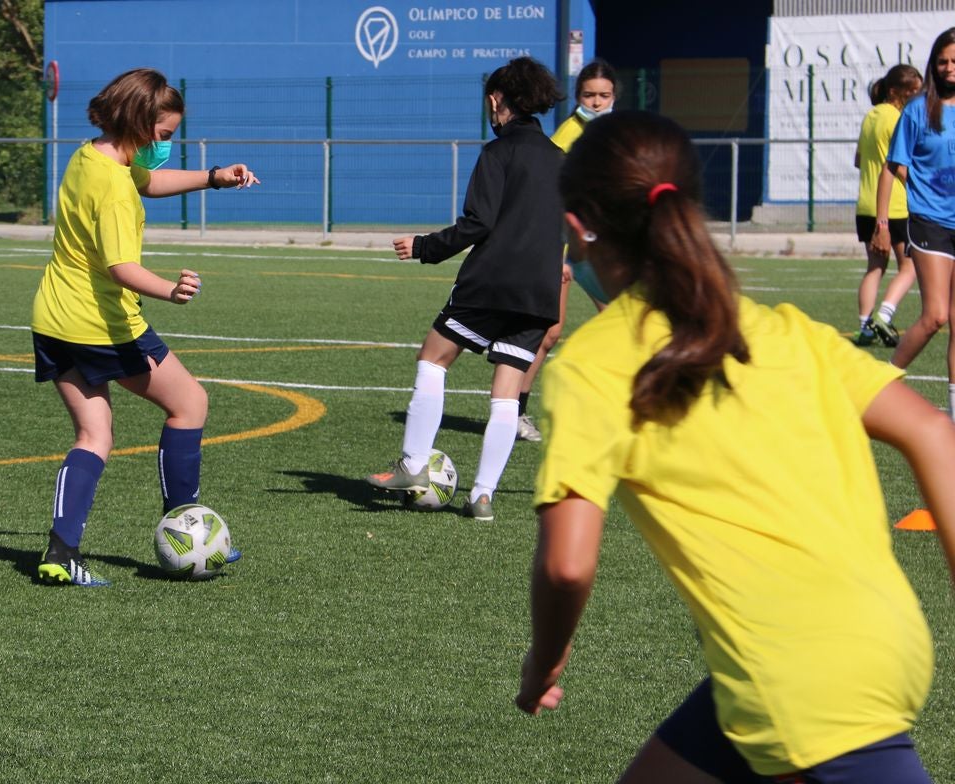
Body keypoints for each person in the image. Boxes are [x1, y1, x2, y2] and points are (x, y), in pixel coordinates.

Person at [515, 110, 955, 782]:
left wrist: (543, 660)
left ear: (578, 228)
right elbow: (932, 431)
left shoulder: (592, 364)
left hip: (798, 680)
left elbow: (567, 566)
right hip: (872, 639)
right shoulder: (781, 328)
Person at [31, 68, 258, 587]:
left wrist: (214, 176)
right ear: (138, 122)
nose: (166, 147)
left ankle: (61, 553)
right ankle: (188, 532)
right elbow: (121, 269)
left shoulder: (91, 156)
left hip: (54, 318)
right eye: (164, 136)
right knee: (190, 403)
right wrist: (169, 289)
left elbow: (150, 181)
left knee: (94, 433)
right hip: (102, 324)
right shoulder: (112, 186)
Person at [365, 56, 566, 522]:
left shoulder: (497, 153)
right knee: (506, 394)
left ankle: (413, 465)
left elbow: (479, 222)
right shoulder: (561, 161)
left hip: (489, 284)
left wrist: (424, 247)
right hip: (538, 292)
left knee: (433, 358)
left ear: (497, 101)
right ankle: (483, 496)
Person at [516, 59, 618, 442]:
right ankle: (516, 411)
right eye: (589, 95)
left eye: (603, 95)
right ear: (578, 97)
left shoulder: (618, 133)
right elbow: (552, 198)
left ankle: (614, 408)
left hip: (602, 247)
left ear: (614, 97)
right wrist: (558, 256)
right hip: (564, 244)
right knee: (549, 332)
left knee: (618, 324)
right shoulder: (568, 134)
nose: (596, 102)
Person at [874, 29, 955, 420]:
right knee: (935, 315)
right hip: (930, 222)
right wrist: (883, 223)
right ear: (933, 64)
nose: (950, 68)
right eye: (943, 61)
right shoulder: (918, 110)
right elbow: (893, 168)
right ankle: (877, 385)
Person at [852, 64, 921, 347]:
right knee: (911, 266)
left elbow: (858, 160)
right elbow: (899, 166)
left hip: (865, 205)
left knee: (875, 267)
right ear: (896, 92)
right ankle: (884, 313)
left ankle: (865, 328)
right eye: (912, 92)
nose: (917, 96)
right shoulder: (898, 118)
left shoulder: (870, 116)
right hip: (893, 206)